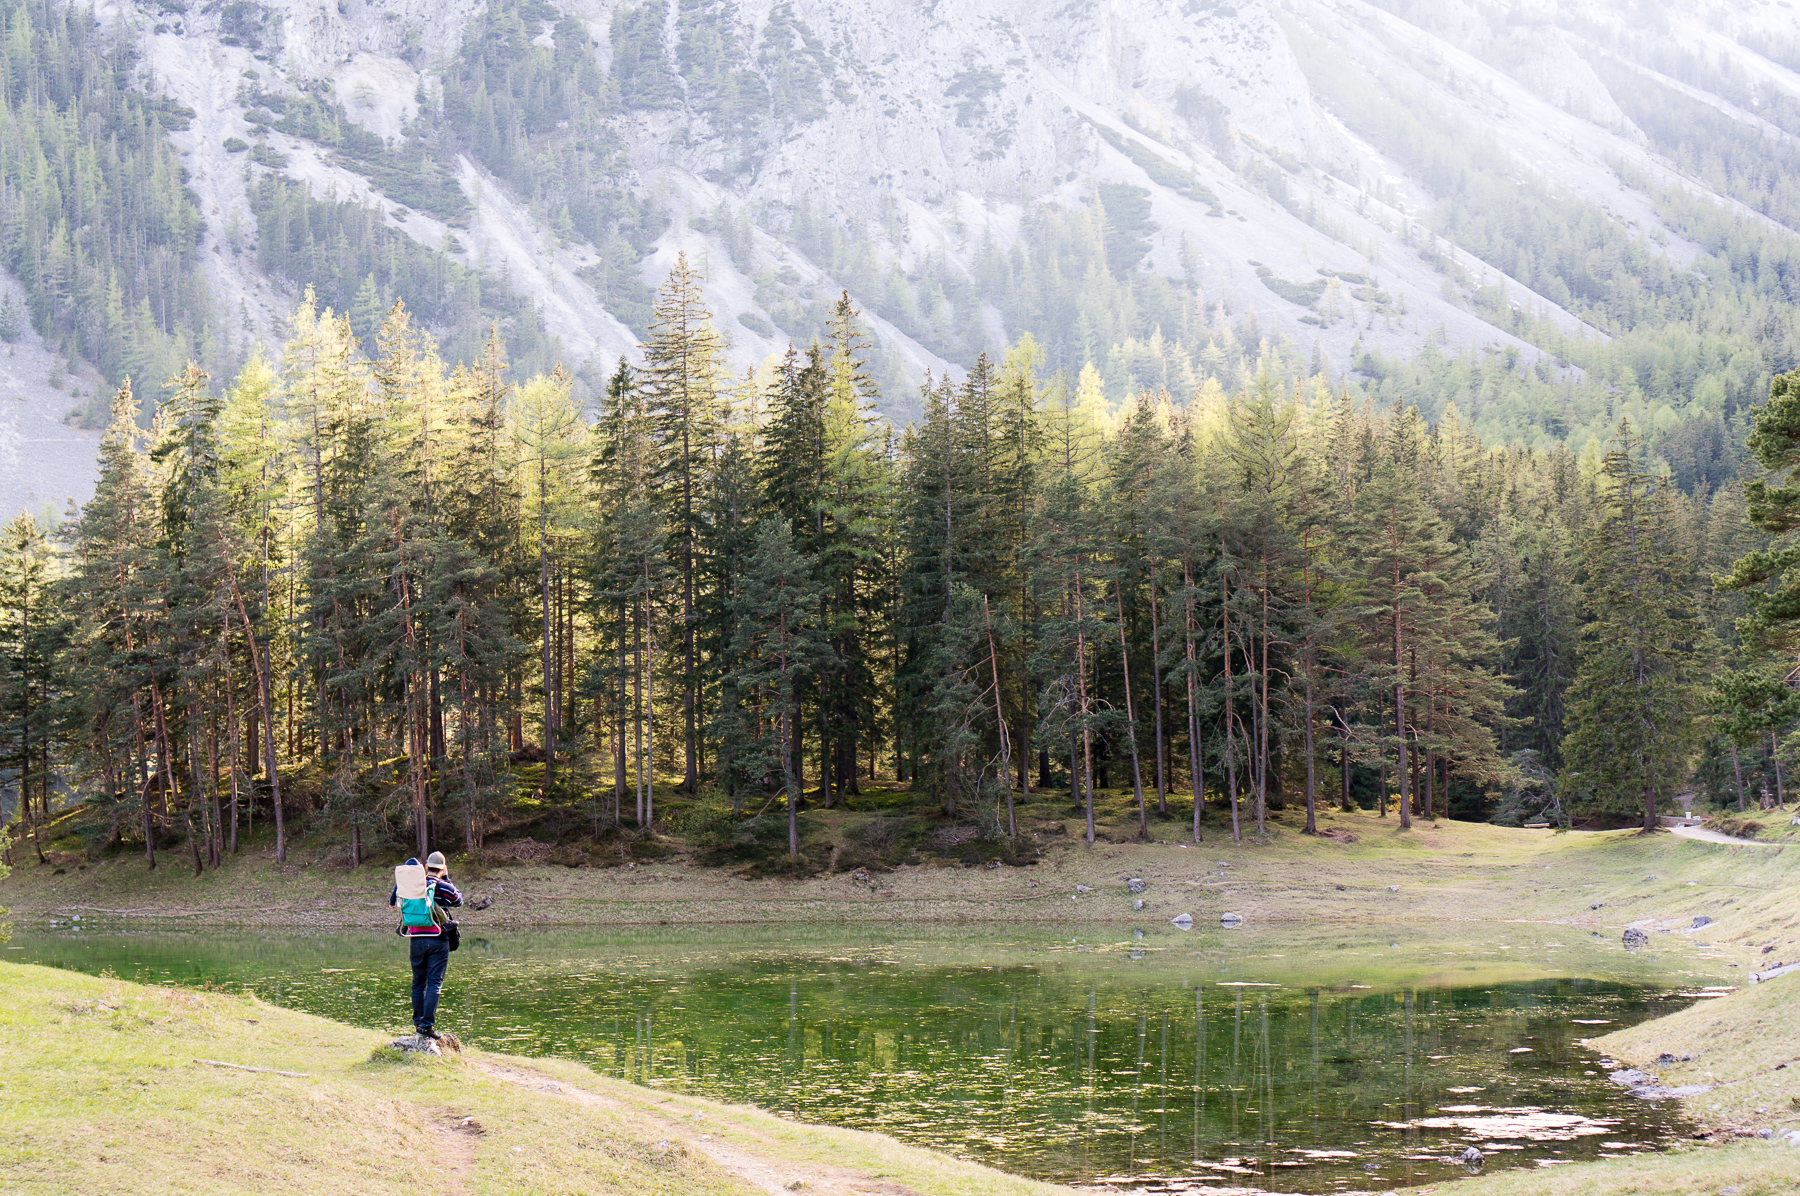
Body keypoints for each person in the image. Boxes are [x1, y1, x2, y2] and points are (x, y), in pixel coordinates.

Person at [388, 850, 463, 1040]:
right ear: (443, 868)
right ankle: (426, 1025)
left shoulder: (415, 885)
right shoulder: (442, 886)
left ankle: (417, 1023)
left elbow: (394, 901)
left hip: (416, 938)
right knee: (434, 983)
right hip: (438, 939)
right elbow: (458, 900)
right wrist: (446, 877)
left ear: (426, 867)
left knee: (418, 982)